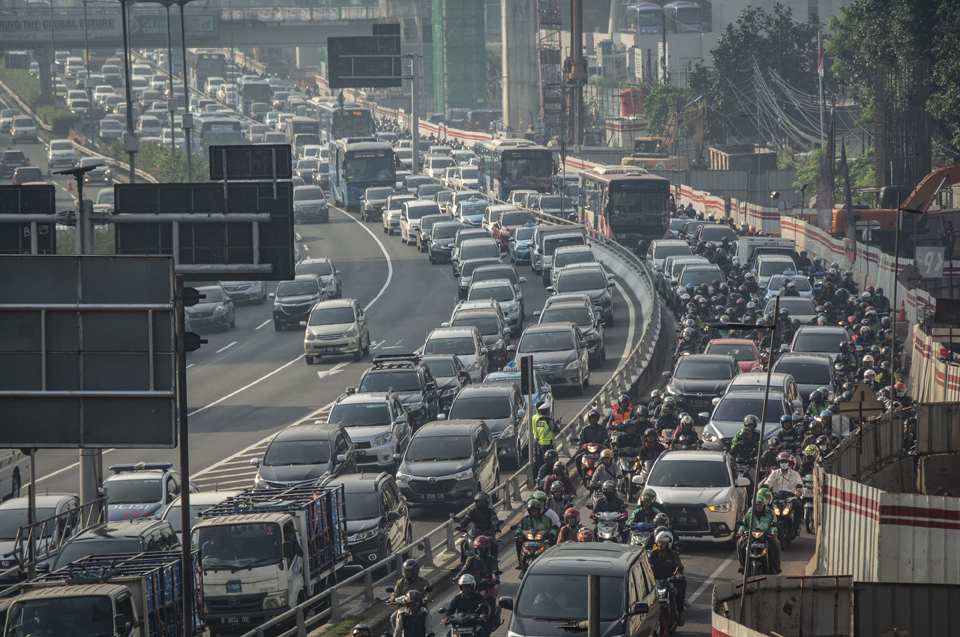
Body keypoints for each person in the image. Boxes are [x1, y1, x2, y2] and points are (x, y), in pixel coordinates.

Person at [648, 531, 686, 626]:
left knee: (678, 592)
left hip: (670, 579)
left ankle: (680, 614)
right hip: (656, 580)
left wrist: (678, 574)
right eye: (659, 542)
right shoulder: (653, 553)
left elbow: (678, 565)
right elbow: (647, 564)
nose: (660, 545)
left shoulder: (674, 554)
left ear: (668, 543)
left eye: (663, 543)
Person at [761, 452, 804, 536]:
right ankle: (765, 528)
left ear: (789, 463)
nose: (784, 464)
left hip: (790, 498)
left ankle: (795, 528)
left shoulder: (795, 474)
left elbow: (799, 486)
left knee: (799, 506)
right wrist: (765, 487)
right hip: (776, 498)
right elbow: (768, 483)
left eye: (785, 462)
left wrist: (798, 491)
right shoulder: (774, 473)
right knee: (764, 508)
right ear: (778, 463)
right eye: (782, 462)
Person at [737, 495, 781, 574]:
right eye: (756, 505)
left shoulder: (769, 515)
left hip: (765, 538)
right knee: (740, 545)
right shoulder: (748, 515)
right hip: (751, 538)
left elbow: (773, 525)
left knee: (775, 546)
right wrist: (740, 533)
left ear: (764, 505)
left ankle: (775, 567)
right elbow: (744, 525)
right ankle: (742, 565)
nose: (758, 507)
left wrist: (774, 533)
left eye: (760, 505)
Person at [515, 499, 556, 564]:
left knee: (553, 542)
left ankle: (553, 561)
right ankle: (520, 563)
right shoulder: (525, 520)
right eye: (532, 511)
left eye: (535, 511)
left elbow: (551, 529)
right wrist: (518, 533)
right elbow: (519, 528)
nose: (534, 513)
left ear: (539, 510)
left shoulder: (546, 519)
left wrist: (550, 534)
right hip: (528, 541)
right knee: (518, 541)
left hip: (542, 541)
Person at [532, 402, 560, 478]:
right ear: (547, 411)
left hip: (540, 444)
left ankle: (542, 478)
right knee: (551, 463)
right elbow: (556, 430)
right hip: (548, 445)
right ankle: (550, 477)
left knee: (542, 463)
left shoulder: (538, 421)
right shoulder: (548, 420)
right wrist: (557, 424)